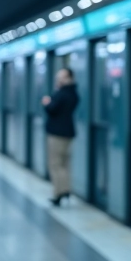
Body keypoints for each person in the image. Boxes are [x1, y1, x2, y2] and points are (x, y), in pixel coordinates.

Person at [42, 67, 80, 207]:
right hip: (68, 132)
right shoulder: (73, 93)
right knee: (65, 163)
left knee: (55, 163)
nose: (59, 79)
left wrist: (47, 102)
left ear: (68, 78)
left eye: (62, 77)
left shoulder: (62, 93)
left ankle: (59, 192)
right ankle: (66, 189)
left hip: (57, 133)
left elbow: (52, 109)